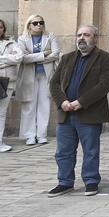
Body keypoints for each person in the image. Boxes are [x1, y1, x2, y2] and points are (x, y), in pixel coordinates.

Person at [47, 25, 109, 197]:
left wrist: (80, 102)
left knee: (90, 150)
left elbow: (104, 85)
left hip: (89, 113)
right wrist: (62, 102)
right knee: (63, 151)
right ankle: (64, 182)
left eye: (86, 35)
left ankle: (91, 181)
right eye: (79, 35)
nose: (81, 38)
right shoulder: (67, 58)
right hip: (66, 113)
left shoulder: (105, 58)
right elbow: (54, 83)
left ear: (95, 38)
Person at [17, 14, 60, 145]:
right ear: (29, 25)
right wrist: (43, 55)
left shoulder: (50, 36)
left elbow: (56, 53)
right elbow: (23, 58)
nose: (39, 25)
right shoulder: (22, 39)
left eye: (41, 22)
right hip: (29, 76)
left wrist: (34, 57)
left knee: (44, 104)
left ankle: (41, 134)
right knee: (29, 105)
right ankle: (29, 135)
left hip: (46, 75)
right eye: (35, 23)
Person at [0, 18, 24, 152]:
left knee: (1, 112)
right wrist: (8, 59)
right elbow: (12, 59)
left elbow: (18, 58)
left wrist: (1, 59)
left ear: (4, 29)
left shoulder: (11, 42)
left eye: (0, 27)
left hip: (8, 81)